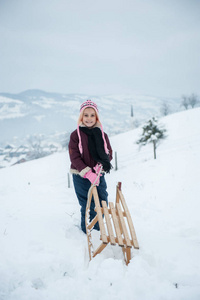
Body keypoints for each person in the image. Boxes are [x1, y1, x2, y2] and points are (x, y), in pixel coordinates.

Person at [68, 100, 112, 233]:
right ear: (81, 116)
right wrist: (88, 173)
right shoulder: (75, 135)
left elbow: (108, 153)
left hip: (99, 174)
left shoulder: (102, 135)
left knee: (103, 201)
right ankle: (88, 232)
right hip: (81, 176)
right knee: (88, 204)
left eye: (92, 115)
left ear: (96, 117)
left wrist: (101, 166)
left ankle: (98, 230)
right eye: (86, 115)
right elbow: (74, 156)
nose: (89, 118)